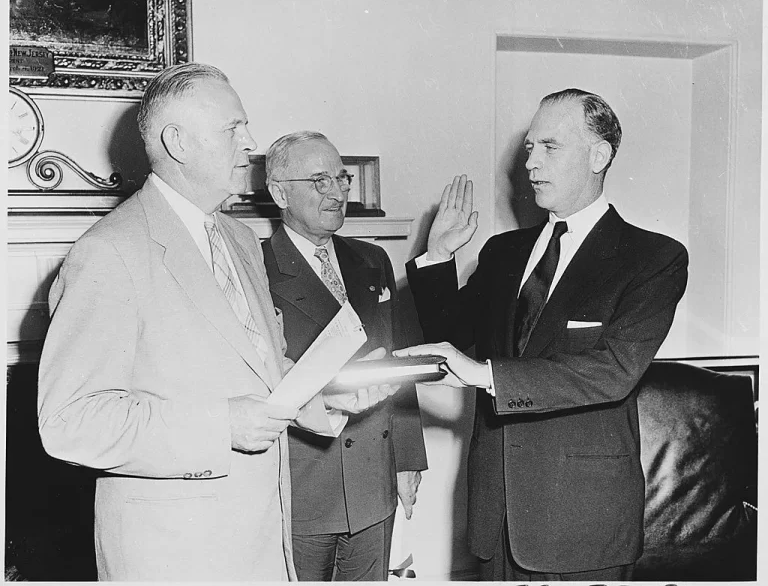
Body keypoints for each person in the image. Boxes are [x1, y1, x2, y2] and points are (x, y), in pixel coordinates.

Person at [37, 63, 396, 582]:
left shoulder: (240, 240)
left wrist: (322, 393)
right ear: (178, 142)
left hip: (264, 542)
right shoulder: (108, 253)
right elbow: (69, 423)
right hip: (176, 554)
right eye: (234, 128)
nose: (249, 143)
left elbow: (260, 366)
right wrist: (219, 425)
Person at [397, 89, 688, 581]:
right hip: (495, 517)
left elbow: (613, 371)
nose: (530, 163)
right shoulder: (504, 251)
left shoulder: (652, 258)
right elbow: (451, 336)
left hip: (582, 523)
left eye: (549, 147)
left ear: (600, 155)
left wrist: (483, 375)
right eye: (529, 147)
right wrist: (438, 257)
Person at [262, 131, 428, 581]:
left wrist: (408, 457)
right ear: (279, 192)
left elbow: (398, 361)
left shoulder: (372, 260)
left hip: (373, 483)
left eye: (342, 179)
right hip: (302, 488)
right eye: (319, 181)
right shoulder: (254, 269)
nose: (337, 193)